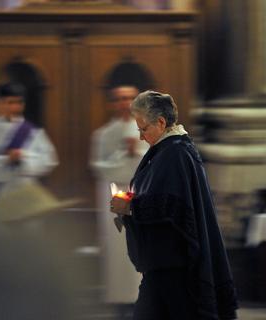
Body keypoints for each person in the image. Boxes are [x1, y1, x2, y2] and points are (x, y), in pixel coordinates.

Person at [110, 90, 238, 320]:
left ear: (160, 122)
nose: (140, 137)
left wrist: (129, 207)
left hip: (174, 266)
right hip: (164, 263)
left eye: (143, 129)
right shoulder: (170, 150)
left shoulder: (175, 153)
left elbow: (171, 207)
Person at [89, 84, 148, 311]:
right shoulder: (103, 134)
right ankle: (118, 300)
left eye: (130, 98)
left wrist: (137, 153)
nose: (125, 103)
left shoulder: (150, 131)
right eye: (120, 98)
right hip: (115, 193)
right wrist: (124, 155)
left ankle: (143, 299)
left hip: (142, 192)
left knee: (141, 243)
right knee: (117, 246)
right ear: (112, 103)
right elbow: (97, 166)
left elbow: (157, 163)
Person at [0, 82, 58, 198]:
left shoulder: (33, 131)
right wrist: (6, 160)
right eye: (10, 103)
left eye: (19, 103)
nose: (14, 107)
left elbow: (49, 161)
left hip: (25, 193)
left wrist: (23, 157)